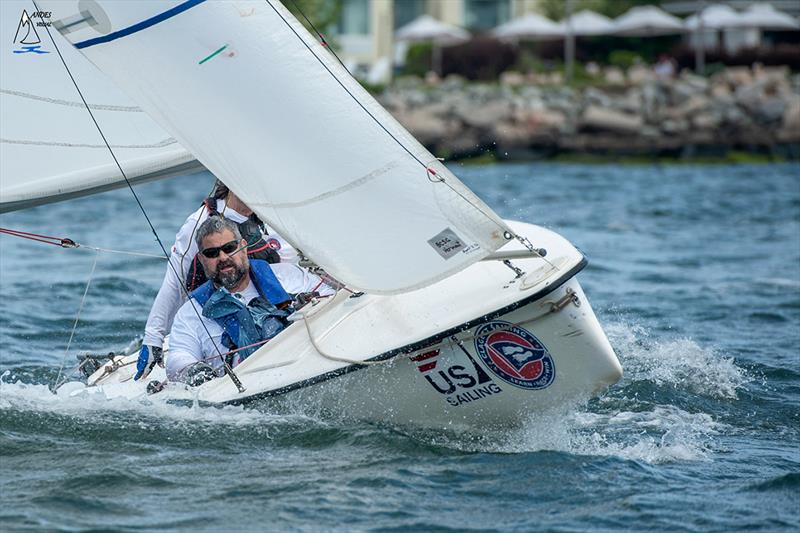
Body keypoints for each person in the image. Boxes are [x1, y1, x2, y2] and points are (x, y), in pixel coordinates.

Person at [134, 180, 298, 381]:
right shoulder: (201, 222)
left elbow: (294, 272)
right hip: (216, 319)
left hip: (276, 313)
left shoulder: (276, 216)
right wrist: (154, 338)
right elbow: (174, 281)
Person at [165, 216, 333, 385]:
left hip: (312, 364)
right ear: (201, 259)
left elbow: (333, 299)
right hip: (246, 392)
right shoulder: (191, 312)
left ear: (243, 247)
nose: (223, 257)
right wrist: (193, 370)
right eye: (212, 253)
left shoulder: (290, 276)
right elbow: (178, 356)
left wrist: (313, 308)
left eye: (229, 248)